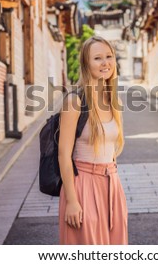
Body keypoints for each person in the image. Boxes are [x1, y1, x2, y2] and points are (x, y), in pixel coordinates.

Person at [58, 36, 127, 245]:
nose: (105, 63)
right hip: (83, 185)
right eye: (98, 58)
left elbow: (111, 148)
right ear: (86, 64)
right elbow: (63, 154)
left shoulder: (113, 100)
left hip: (112, 185)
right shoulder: (74, 101)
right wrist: (71, 200)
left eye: (109, 56)